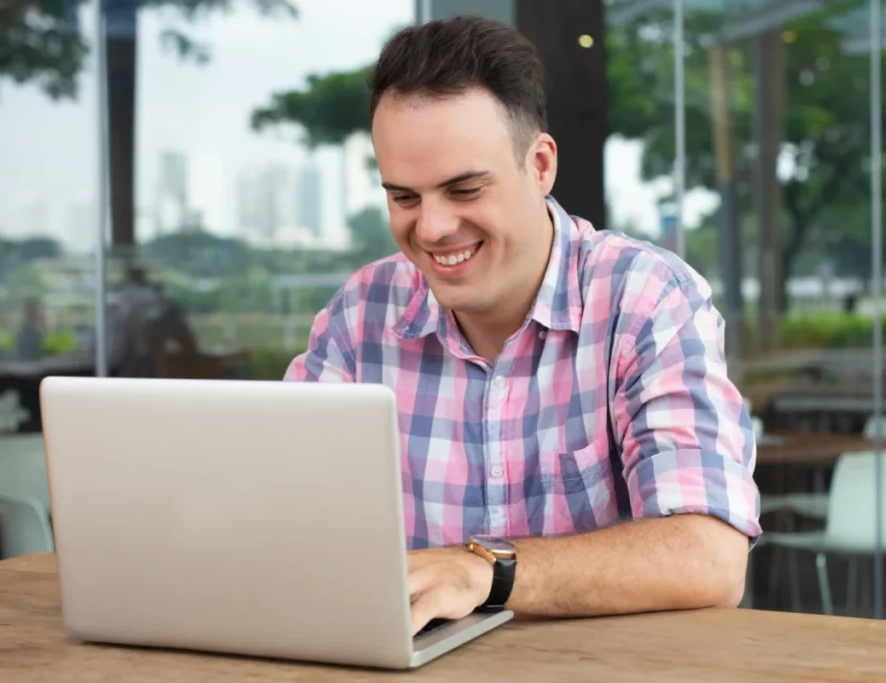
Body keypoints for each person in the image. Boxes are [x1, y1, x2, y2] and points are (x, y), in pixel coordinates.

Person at [284, 16, 761, 635]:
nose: (430, 229)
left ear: (539, 165)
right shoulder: (360, 315)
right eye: (404, 197)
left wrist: (483, 571)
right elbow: (281, 516)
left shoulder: (644, 300)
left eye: (464, 189)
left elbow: (710, 558)